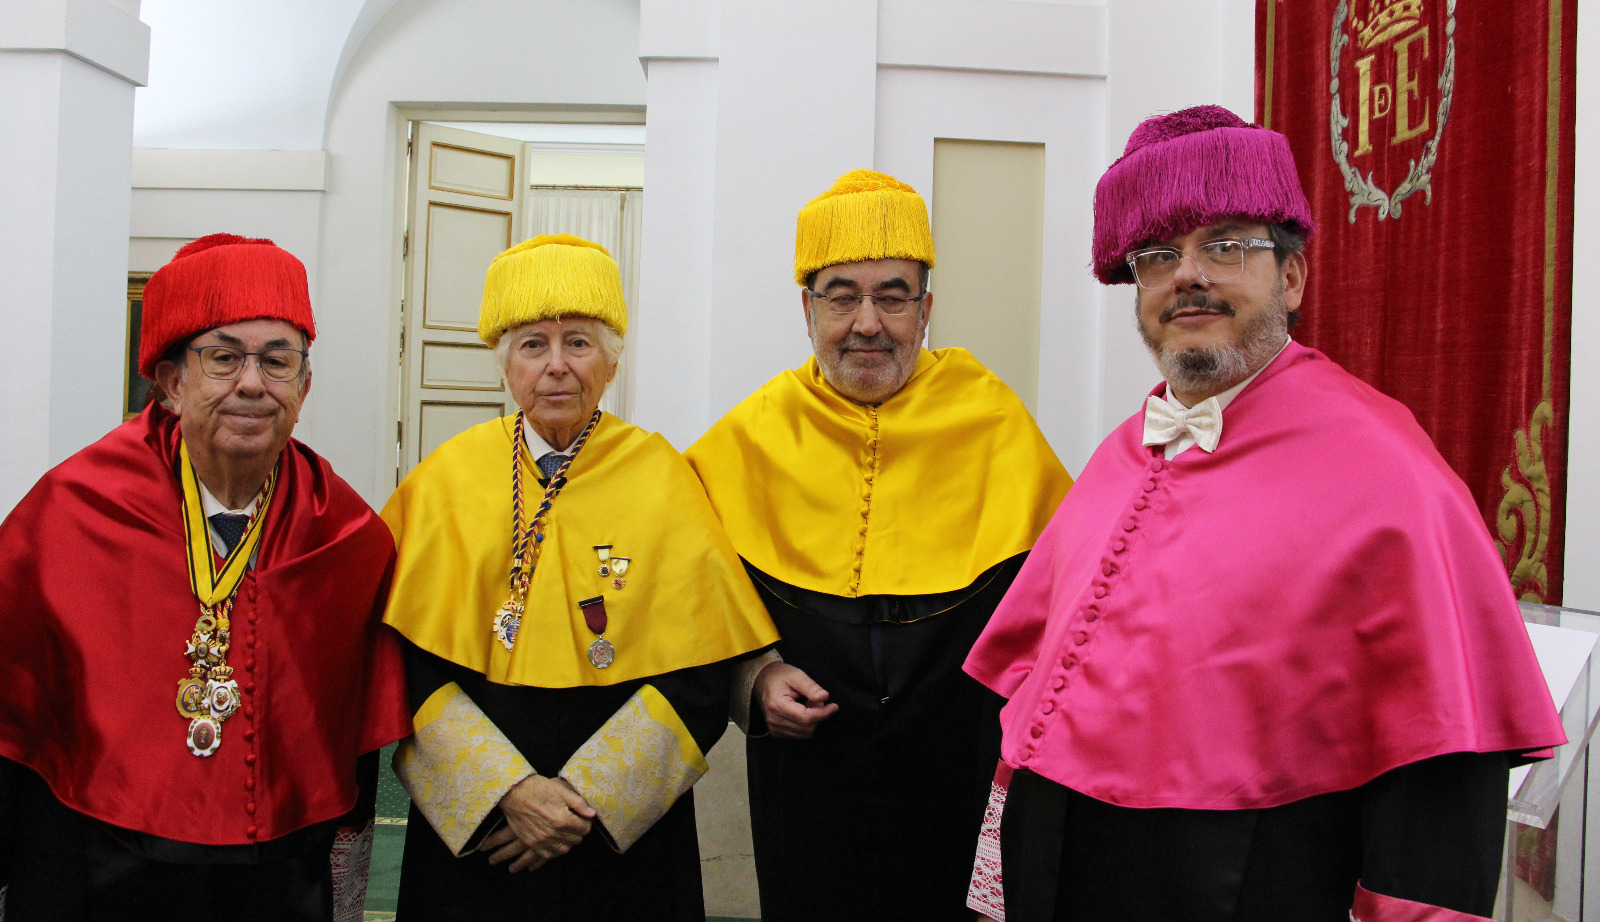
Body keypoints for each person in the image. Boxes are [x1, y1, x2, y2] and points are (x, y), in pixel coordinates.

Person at [964, 106, 1566, 922]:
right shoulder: (1119, 454)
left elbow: (1439, 779)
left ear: (1291, 279)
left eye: (1226, 246)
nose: (1188, 275)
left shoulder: (1388, 473)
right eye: (1159, 256)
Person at [685, 170, 1074, 921]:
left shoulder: (994, 422)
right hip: (807, 777)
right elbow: (692, 606)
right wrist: (753, 683)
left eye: (893, 297)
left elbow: (1063, 608)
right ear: (807, 309)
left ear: (926, 309)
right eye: (842, 297)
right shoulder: (748, 438)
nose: (868, 323)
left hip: (956, 769)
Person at [0, 234, 410, 921]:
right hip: (98, 866)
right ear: (170, 383)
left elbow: (352, 751)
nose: (252, 383)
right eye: (223, 358)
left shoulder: (345, 534)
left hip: (274, 874)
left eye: (277, 360)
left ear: (304, 387)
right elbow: (14, 715)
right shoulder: (71, 512)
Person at [381, 234, 778, 921]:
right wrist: (506, 792)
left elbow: (701, 670)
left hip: (622, 840)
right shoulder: (445, 480)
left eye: (579, 343)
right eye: (533, 345)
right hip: (484, 836)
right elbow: (407, 662)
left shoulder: (662, 477)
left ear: (612, 360)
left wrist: (585, 800)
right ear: (505, 363)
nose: (556, 366)